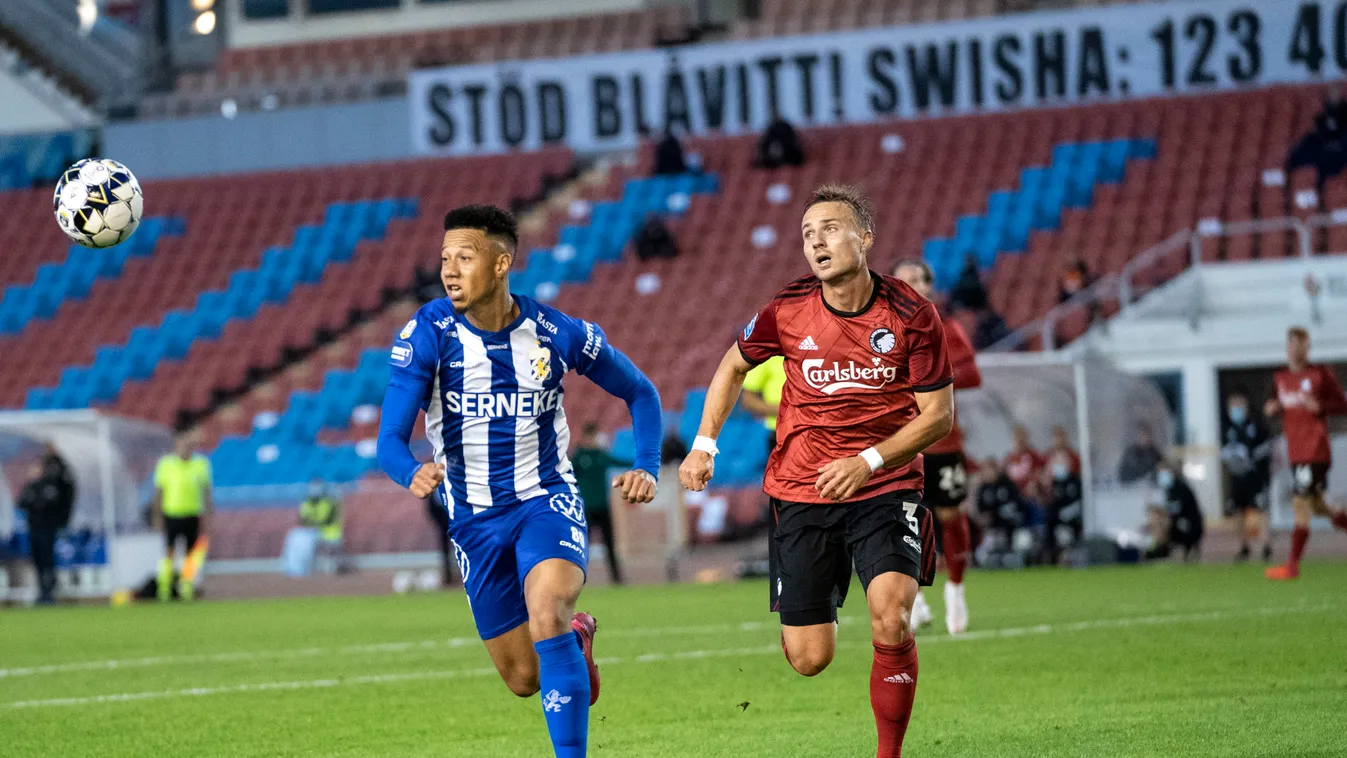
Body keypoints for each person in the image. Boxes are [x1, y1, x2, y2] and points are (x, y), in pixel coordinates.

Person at [377, 204, 662, 757]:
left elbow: (640, 392)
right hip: (473, 519)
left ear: (502, 263)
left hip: (544, 500)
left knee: (546, 609)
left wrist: (646, 465)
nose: (449, 270)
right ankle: (576, 638)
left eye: (465, 257)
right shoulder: (428, 333)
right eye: (445, 258)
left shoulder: (555, 332)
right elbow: (389, 438)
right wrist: (411, 470)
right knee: (524, 678)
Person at [679, 184, 953, 757]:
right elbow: (732, 367)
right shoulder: (787, 308)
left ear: (865, 238)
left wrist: (869, 460)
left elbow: (939, 416)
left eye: (829, 228)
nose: (816, 243)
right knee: (809, 659)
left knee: (892, 616)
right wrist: (704, 445)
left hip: (885, 484)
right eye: (808, 234)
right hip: (802, 489)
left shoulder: (912, 314)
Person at [894, 258, 981, 634]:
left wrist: (929, 376)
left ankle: (955, 591)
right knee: (903, 521)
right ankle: (916, 600)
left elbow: (972, 375)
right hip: (899, 443)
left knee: (949, 516)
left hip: (942, 441)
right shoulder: (880, 331)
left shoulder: (946, 328)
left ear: (930, 285)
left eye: (919, 279)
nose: (914, 285)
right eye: (905, 280)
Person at [1264, 327, 1347, 580]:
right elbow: (1275, 404)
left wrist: (1321, 407)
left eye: (1302, 344)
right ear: (1287, 347)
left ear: (1308, 348)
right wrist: (1272, 409)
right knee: (1320, 507)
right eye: (1293, 343)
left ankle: (1292, 565)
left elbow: (1342, 405)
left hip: (1316, 451)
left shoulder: (1320, 374)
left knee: (1300, 504)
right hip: (1296, 453)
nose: (1297, 349)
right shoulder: (1280, 378)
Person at [151, 433, 212, 602]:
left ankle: (186, 586)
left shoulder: (201, 464)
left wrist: (208, 516)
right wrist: (157, 516)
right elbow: (159, 492)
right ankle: (165, 587)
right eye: (183, 443)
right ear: (177, 444)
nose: (186, 447)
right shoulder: (166, 465)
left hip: (192, 514)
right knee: (168, 552)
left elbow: (206, 493)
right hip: (172, 514)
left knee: (191, 554)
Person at [571, 422, 633, 585]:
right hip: (586, 508)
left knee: (610, 545)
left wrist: (642, 464)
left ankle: (617, 579)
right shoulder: (579, 456)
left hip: (603, 507)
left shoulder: (600, 455)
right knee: (582, 546)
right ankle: (577, 579)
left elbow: (618, 462)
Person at [16, 443, 74, 605]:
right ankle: (43, 589)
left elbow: (56, 501)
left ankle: (49, 590)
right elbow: (22, 503)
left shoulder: (52, 484)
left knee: (47, 557)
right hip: (33, 527)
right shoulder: (32, 487)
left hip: (47, 527)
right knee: (37, 559)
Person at [1220, 391, 1273, 562]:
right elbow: (1225, 450)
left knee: (1261, 509)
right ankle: (1244, 546)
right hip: (1237, 477)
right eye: (1233, 408)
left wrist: (1251, 457)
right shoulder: (1228, 429)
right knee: (1238, 511)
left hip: (1256, 477)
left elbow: (1267, 446)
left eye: (1239, 407)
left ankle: (1266, 545)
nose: (1236, 411)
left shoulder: (1256, 426)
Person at [1042, 428, 1083, 565]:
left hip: (1072, 513)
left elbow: (1079, 499)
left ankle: (1073, 554)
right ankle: (1051, 553)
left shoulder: (1074, 478)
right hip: (1056, 513)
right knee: (1049, 519)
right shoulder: (1053, 481)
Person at [1153, 463, 1204, 562]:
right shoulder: (1168, 490)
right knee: (1158, 518)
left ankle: (1167, 549)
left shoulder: (1181, 488)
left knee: (1163, 520)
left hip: (1188, 524)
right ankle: (1163, 548)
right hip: (1179, 523)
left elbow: (1178, 509)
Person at [740, 355, 787, 453]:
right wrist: (790, 410)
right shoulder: (770, 356)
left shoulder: (816, 354)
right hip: (779, 434)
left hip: (816, 431)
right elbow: (748, 400)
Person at [1003, 425, 1045, 505]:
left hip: (1031, 495)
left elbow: (1040, 472)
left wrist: (1034, 482)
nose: (1019, 442)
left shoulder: (1034, 456)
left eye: (1022, 439)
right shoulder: (1008, 459)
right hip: (1013, 496)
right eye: (1016, 439)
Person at [425, 491, 457, 587]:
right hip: (441, 514)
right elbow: (431, 506)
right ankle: (448, 575)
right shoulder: (435, 490)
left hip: (455, 514)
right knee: (445, 546)